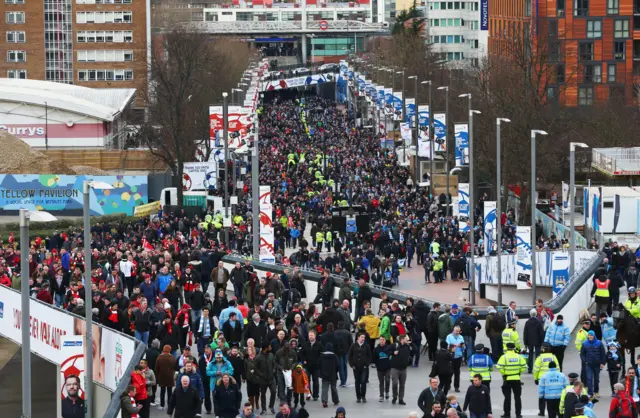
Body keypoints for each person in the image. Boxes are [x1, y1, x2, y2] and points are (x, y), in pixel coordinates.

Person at [496, 342, 526, 418]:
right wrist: (518, 372)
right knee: (517, 397)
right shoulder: (519, 357)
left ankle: (507, 414)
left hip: (507, 379)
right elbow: (524, 366)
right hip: (516, 379)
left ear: (506, 348)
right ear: (514, 348)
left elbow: (499, 367)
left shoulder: (504, 357)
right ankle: (518, 414)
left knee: (507, 398)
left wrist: (504, 373)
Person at [579, 330, 605, 398]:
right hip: (588, 364)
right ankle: (590, 393)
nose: (590, 336)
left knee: (596, 379)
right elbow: (582, 354)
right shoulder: (585, 344)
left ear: (594, 336)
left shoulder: (599, 343)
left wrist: (602, 363)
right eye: (589, 335)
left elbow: (603, 353)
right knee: (589, 379)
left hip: (597, 364)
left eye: (591, 335)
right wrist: (585, 361)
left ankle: (596, 392)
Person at [348, 332, 372, 403]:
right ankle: (358, 397)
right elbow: (350, 355)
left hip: (364, 367)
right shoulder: (353, 345)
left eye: (364, 337)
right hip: (356, 367)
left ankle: (363, 396)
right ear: (358, 337)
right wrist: (352, 365)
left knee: (363, 381)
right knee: (357, 381)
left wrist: (367, 364)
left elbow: (369, 356)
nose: (363, 338)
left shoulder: (366, 346)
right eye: (361, 337)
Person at [300, 329, 323, 401]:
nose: (310, 337)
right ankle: (308, 393)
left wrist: (318, 361)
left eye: (312, 335)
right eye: (309, 335)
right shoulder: (305, 344)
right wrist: (304, 361)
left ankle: (316, 395)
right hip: (307, 366)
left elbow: (322, 354)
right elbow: (301, 354)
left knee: (315, 381)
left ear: (315, 336)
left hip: (316, 366)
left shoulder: (319, 345)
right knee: (307, 381)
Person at [256, 341, 277, 415]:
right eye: (269, 347)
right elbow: (256, 368)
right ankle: (263, 409)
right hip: (263, 379)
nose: (271, 348)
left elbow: (274, 364)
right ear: (265, 348)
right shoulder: (258, 357)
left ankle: (271, 406)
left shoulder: (271, 355)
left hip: (271, 379)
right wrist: (261, 374)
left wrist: (274, 371)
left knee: (274, 392)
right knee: (263, 394)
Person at [390, 334, 412, 405]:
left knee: (402, 385)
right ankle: (394, 397)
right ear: (402, 339)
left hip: (403, 369)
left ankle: (401, 399)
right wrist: (393, 353)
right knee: (395, 383)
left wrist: (410, 342)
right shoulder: (395, 345)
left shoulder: (407, 346)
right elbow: (386, 351)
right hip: (395, 368)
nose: (407, 340)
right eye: (406, 338)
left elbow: (415, 350)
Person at [154, 344, 176, 410]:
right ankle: (169, 404)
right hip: (170, 377)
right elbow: (174, 367)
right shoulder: (172, 357)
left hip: (162, 377)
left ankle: (162, 405)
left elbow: (156, 368)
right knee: (169, 392)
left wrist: (157, 376)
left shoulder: (159, 357)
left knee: (162, 391)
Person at [319, 342, 340, 408]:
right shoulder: (334, 356)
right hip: (333, 374)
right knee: (333, 388)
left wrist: (321, 372)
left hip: (324, 375)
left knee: (325, 388)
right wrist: (335, 371)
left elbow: (318, 364)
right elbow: (338, 366)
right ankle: (335, 400)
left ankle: (324, 401)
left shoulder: (322, 356)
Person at [523, 308, 544, 374]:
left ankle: (530, 369)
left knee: (530, 355)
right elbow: (541, 333)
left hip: (529, 341)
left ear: (530, 314)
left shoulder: (527, 322)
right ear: (536, 314)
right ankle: (537, 368)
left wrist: (525, 342)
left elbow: (525, 333)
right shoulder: (539, 322)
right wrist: (542, 342)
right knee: (537, 355)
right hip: (538, 341)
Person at [445, 326, 465, 393]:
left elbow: (463, 347)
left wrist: (462, 346)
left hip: (458, 356)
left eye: (459, 331)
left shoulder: (461, 337)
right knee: (450, 372)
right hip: (451, 356)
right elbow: (447, 346)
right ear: (453, 330)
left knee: (457, 372)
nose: (457, 332)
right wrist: (455, 345)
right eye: (456, 331)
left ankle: (456, 386)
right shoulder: (449, 336)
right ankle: (448, 385)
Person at [374, 335, 393, 402]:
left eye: (383, 340)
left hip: (387, 368)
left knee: (387, 380)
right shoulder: (376, 349)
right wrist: (377, 365)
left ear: (385, 340)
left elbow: (391, 356)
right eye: (381, 339)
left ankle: (387, 391)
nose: (382, 341)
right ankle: (381, 395)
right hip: (380, 368)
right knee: (381, 382)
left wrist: (390, 363)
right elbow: (374, 358)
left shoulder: (388, 348)